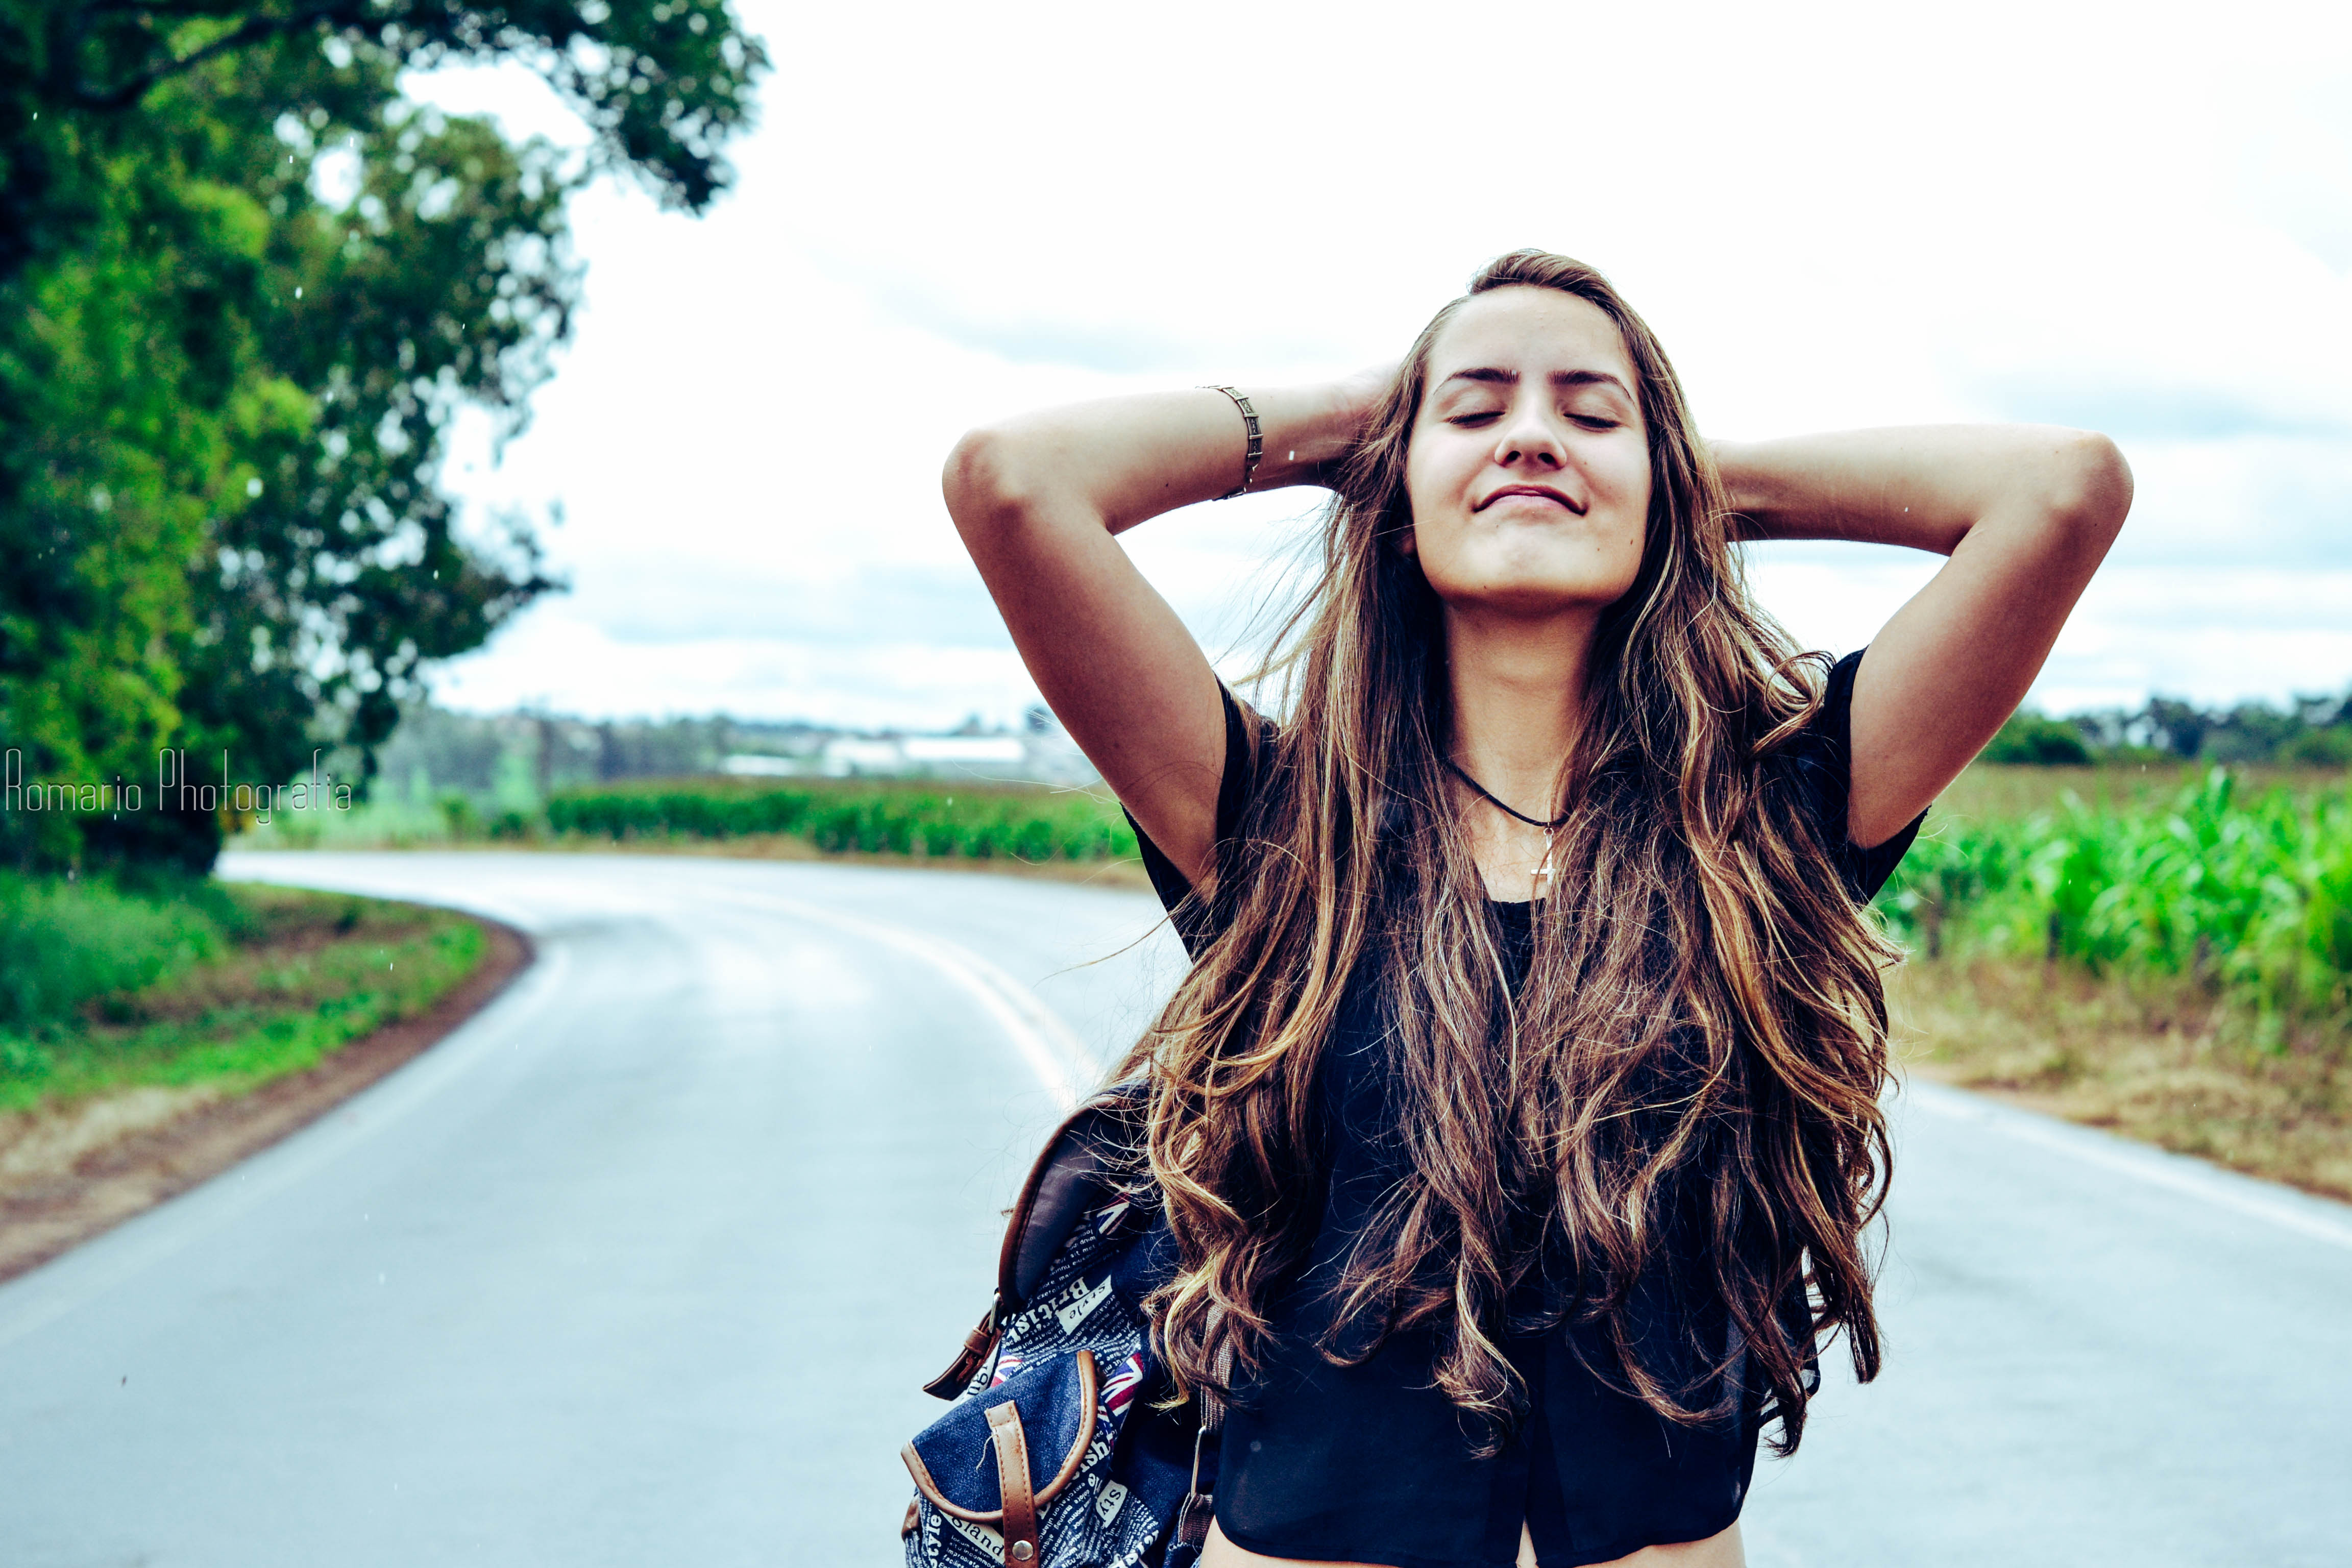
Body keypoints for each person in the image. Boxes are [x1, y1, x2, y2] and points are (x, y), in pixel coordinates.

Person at [941, 250, 2131, 1568]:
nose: (1530, 437)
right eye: (1475, 409)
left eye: (1589, 410)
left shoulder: (1764, 828)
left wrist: (1681, 477)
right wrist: (1352, 426)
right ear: (1396, 494)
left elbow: (2064, 491)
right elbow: (1014, 484)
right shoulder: (1280, 832)